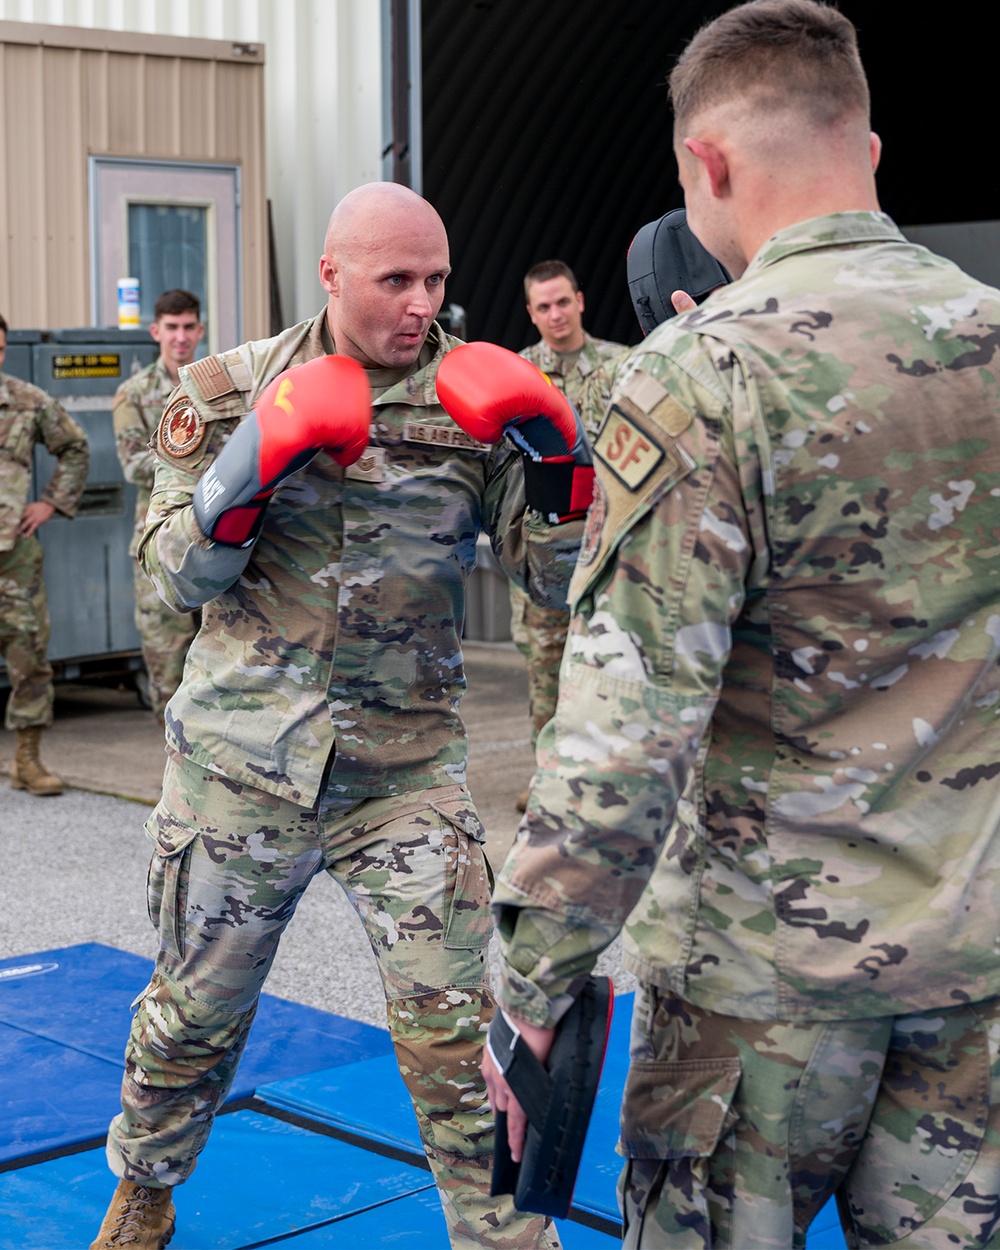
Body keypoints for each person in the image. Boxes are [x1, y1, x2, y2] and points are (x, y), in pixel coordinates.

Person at [483, 3, 1000, 1248]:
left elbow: (625, 740)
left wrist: (531, 984)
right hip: (975, 973)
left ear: (704, 168)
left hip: (760, 994)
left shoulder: (699, 372)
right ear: (866, 150)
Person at [90, 182, 588, 1250]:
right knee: (190, 1017)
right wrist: (250, 463)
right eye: (394, 280)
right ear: (330, 275)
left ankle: (505, 1237)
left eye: (437, 280)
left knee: (459, 1038)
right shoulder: (227, 389)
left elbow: (554, 584)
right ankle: (146, 1185)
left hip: (402, 770)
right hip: (242, 766)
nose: (421, 303)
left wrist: (558, 464)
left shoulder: (474, 395)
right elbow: (174, 574)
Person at [511, 261, 627, 811]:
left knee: (614, 670)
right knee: (545, 673)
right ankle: (549, 783)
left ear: (580, 300)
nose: (555, 315)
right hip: (547, 551)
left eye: (563, 302)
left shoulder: (624, 366)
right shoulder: (515, 375)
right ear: (531, 313)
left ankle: (606, 779)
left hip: (609, 550)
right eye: (543, 306)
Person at [0, 313, 89, 796]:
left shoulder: (27, 401)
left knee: (28, 654)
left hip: (14, 556)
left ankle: (27, 760)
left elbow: (75, 447)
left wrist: (50, 502)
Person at [112, 290, 205, 720]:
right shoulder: (132, 394)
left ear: (199, 330)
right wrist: (201, 457)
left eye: (188, 327)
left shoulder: (219, 388)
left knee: (219, 665)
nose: (180, 337)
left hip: (215, 539)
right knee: (166, 668)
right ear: (156, 332)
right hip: (159, 544)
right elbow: (133, 466)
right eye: (172, 328)